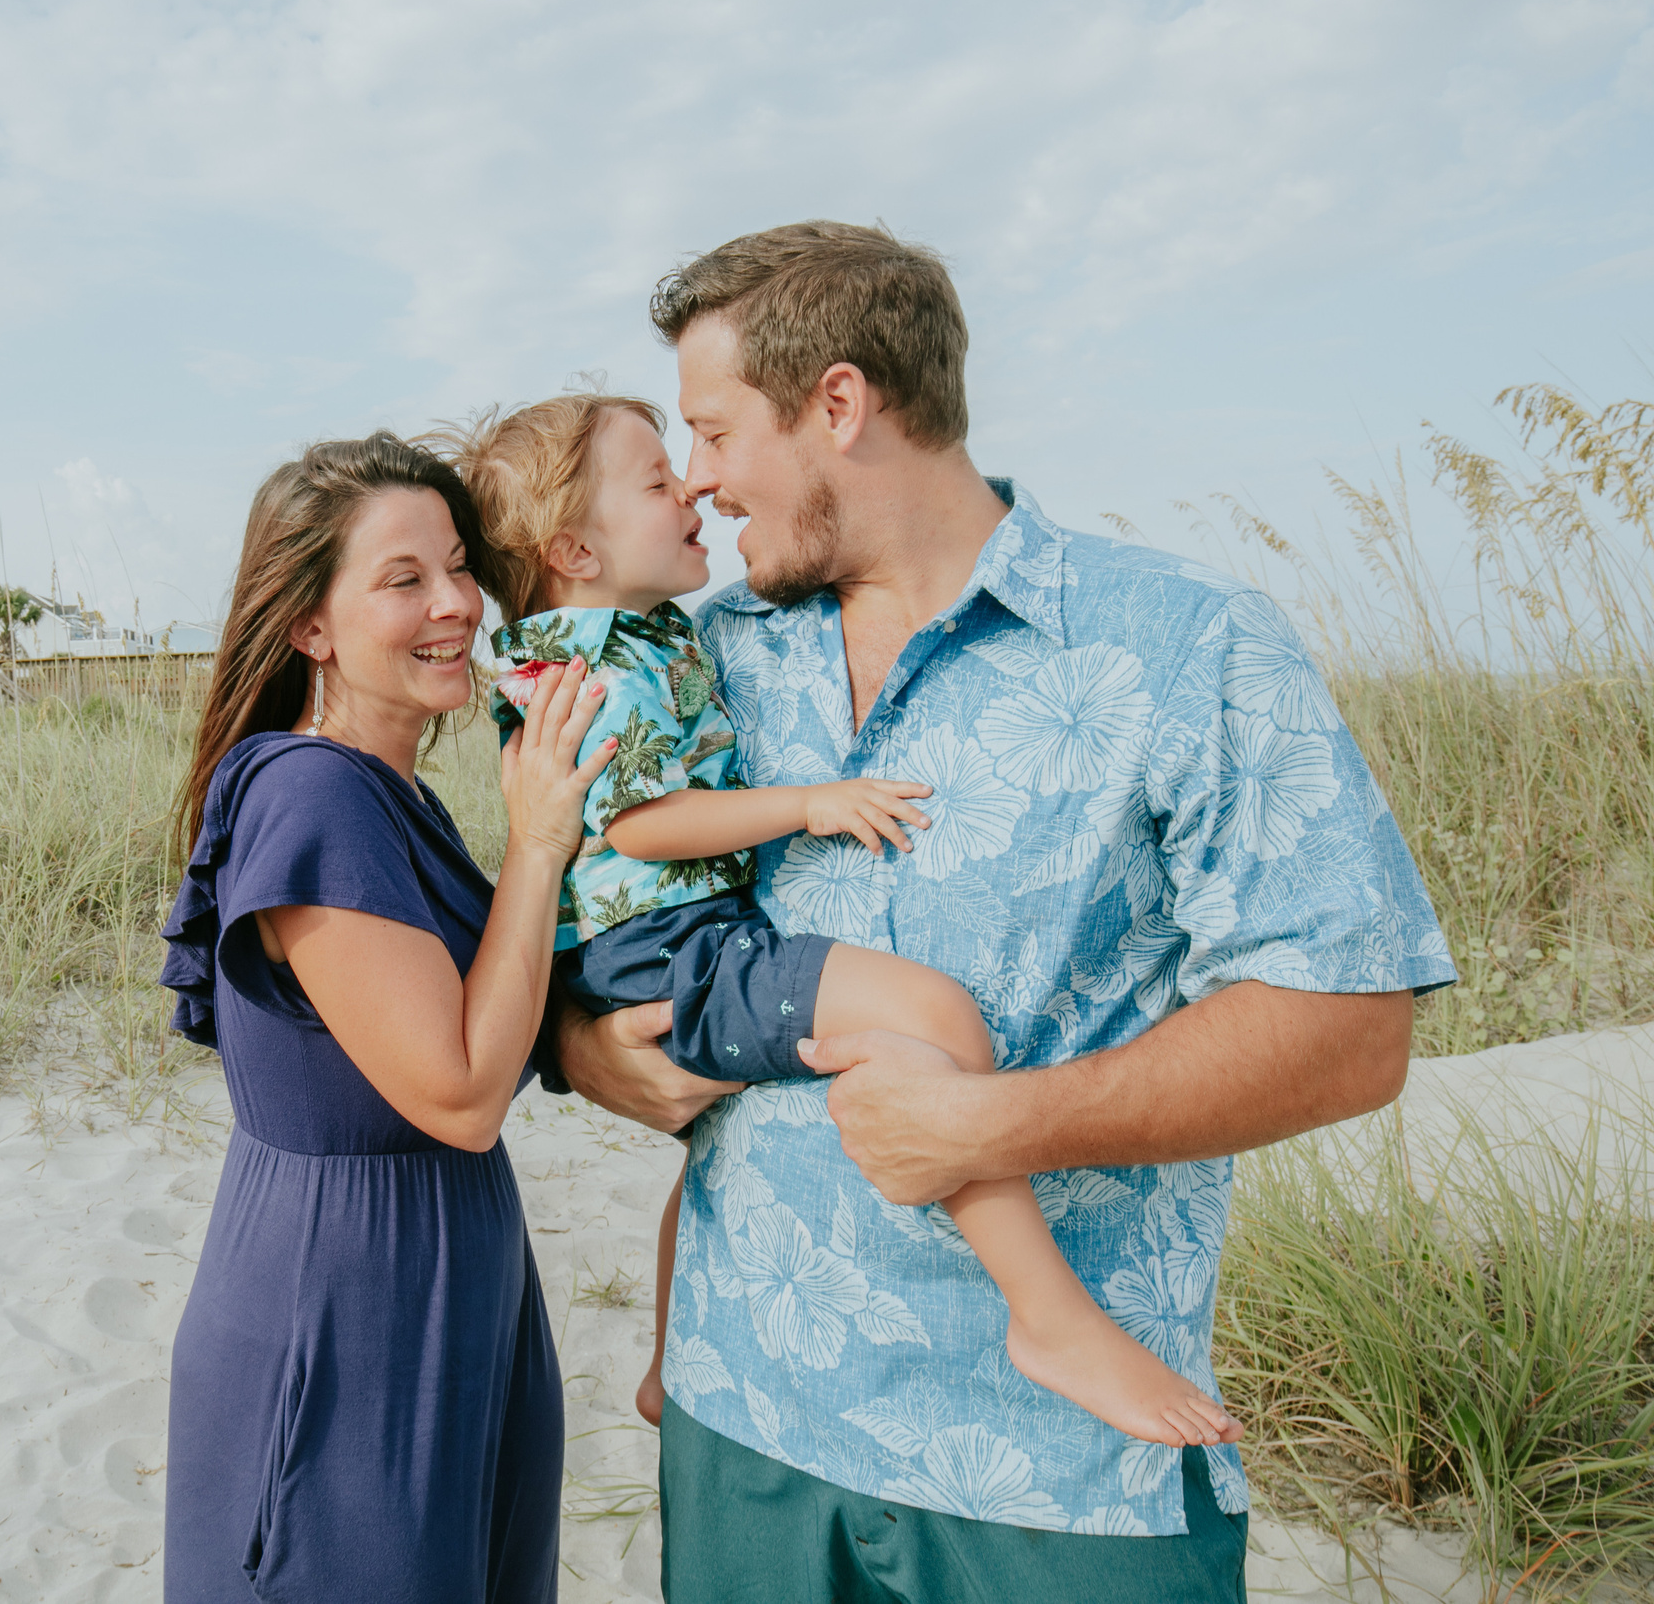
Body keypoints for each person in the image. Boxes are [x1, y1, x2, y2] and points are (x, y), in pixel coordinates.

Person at [549, 222, 1456, 1603]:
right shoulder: (702, 654)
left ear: (840, 404)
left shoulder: (1183, 640)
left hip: (1058, 1477)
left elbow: (1348, 1026)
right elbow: (592, 882)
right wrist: (578, 1040)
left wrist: (999, 1120)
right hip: (743, 1418)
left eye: (718, 428)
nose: (703, 477)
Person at [440, 389, 1246, 1451]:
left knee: (713, 1146)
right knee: (932, 1017)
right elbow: (639, 824)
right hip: (665, 945)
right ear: (574, 550)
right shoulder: (603, 663)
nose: (688, 483)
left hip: (648, 945)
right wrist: (811, 805)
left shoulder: (630, 635)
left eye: (702, 448)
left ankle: (662, 1362)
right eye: (655, 479)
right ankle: (1049, 1318)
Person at [157, 433, 615, 1603]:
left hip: (454, 1279)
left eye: (457, 567)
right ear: (310, 625)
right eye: (402, 579)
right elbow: (460, 1092)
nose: (456, 604)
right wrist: (540, 840)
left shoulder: (388, 790)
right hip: (346, 1302)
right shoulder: (313, 796)